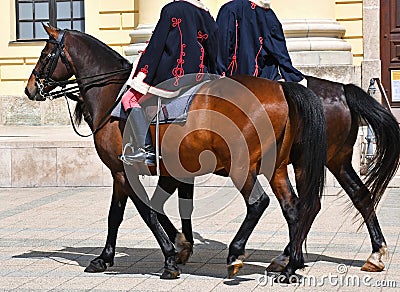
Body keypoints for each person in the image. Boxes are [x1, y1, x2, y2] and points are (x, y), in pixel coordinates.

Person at [121, 0, 219, 166]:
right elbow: (213, 44)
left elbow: (156, 46)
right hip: (199, 75)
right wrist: (213, 71)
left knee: (129, 99)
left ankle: (146, 150)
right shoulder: (204, 13)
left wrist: (144, 72)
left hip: (173, 76)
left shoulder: (171, 9)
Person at [216, 0, 306, 85]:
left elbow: (222, 47)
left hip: (237, 80)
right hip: (267, 78)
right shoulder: (269, 13)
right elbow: (279, 50)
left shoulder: (229, 10)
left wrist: (219, 76)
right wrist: (291, 75)